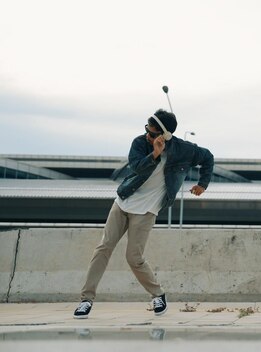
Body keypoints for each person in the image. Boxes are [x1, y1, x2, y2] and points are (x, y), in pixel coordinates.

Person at [73, 109, 214, 319]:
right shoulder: (139, 142)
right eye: (147, 129)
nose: (147, 133)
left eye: (152, 131)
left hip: (147, 211)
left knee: (134, 257)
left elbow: (208, 157)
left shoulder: (183, 150)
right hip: (123, 203)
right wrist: (154, 153)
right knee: (103, 248)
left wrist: (203, 184)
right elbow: (136, 167)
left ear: (164, 135)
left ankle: (157, 295)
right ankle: (86, 300)